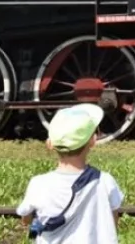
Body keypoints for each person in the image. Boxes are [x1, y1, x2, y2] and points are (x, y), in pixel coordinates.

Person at [16, 104, 124, 244]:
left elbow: (26, 220)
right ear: (93, 141)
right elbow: (113, 220)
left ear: (50, 144)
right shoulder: (105, 181)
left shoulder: (38, 184)